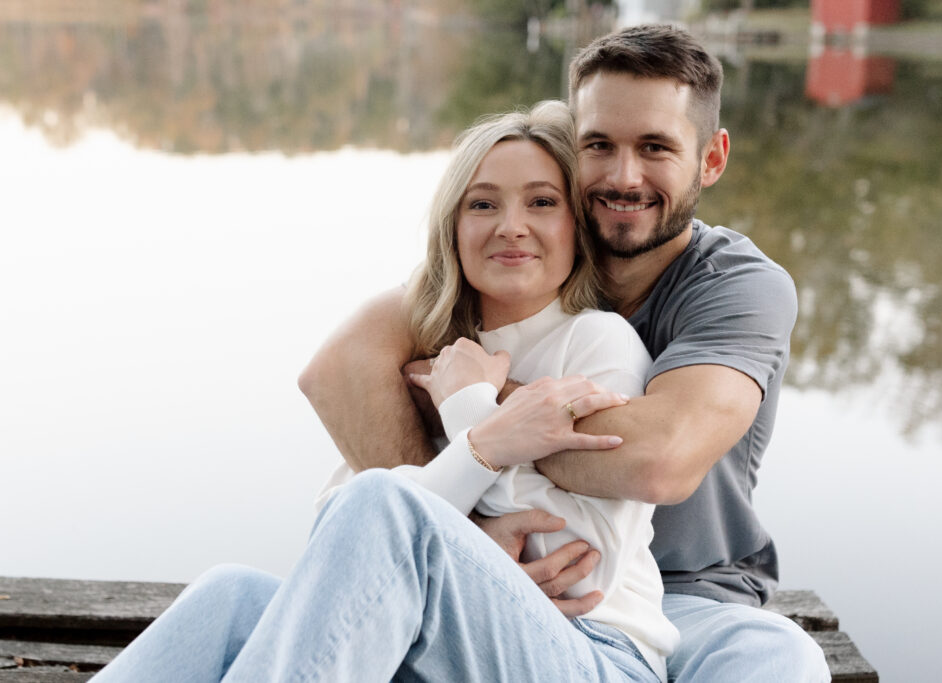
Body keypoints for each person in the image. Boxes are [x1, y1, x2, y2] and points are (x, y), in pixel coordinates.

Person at [299, 24, 830, 682]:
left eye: (656, 147)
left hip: (688, 597)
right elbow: (341, 369)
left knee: (780, 657)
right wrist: (460, 543)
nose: (623, 175)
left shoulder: (737, 286)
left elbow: (658, 459)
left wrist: (480, 408)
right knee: (234, 598)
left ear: (712, 159)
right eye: (599, 145)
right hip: (499, 571)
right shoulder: (521, 259)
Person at [93, 101, 679, 682]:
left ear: (575, 224)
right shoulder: (437, 348)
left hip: (590, 652)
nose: (510, 225)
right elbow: (341, 534)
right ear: (452, 225)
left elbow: (579, 574)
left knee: (386, 502)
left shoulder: (598, 343)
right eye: (483, 203)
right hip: (450, 638)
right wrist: (475, 503)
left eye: (542, 202)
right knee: (229, 596)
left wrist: (471, 421)